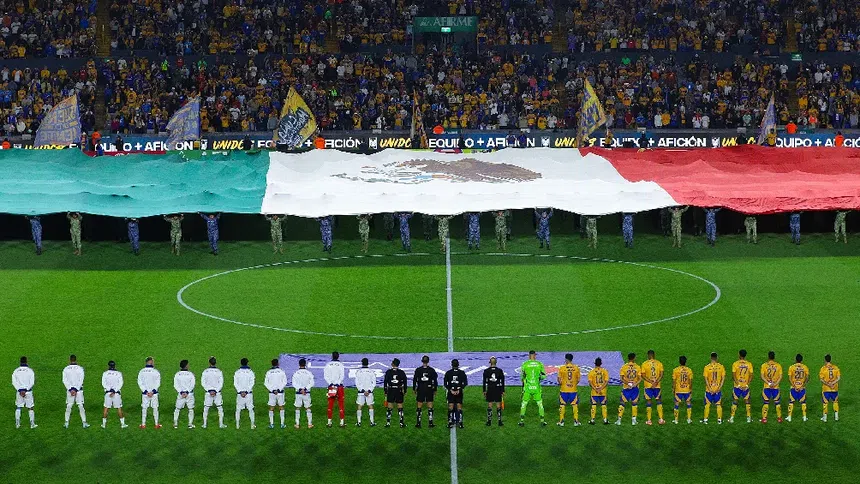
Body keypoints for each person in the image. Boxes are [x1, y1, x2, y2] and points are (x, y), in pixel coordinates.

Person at [519, 350, 547, 426]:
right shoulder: (539, 364)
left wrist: (524, 383)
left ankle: (521, 421)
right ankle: (542, 421)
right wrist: (538, 378)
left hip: (527, 388)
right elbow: (544, 376)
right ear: (535, 355)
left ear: (529, 356)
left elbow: (522, 376)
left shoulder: (525, 364)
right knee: (540, 404)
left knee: (524, 404)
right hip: (536, 388)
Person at [62, 354, 89, 429]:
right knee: (80, 406)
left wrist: (71, 389)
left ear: (69, 360)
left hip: (70, 391)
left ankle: (66, 423)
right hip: (79, 391)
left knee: (69, 406)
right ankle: (84, 423)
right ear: (76, 359)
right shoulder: (80, 369)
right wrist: (76, 389)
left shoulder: (66, 369)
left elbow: (64, 380)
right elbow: (81, 380)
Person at [201, 357, 227, 429]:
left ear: (209, 363)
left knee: (206, 408)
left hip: (208, 393)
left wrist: (209, 390)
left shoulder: (205, 371)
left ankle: (204, 424)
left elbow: (203, 383)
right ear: (215, 363)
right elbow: (221, 383)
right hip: (217, 393)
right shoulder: (219, 371)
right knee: (220, 408)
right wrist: (215, 391)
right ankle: (221, 424)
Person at [641, 350, 665, 425]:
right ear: (654, 355)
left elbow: (643, 376)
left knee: (648, 401)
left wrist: (651, 382)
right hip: (657, 386)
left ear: (648, 355)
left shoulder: (644, 364)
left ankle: (649, 420)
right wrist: (656, 382)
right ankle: (661, 419)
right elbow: (661, 375)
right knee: (659, 401)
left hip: (648, 386)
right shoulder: (659, 363)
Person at [413, 355, 438, 428]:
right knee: (430, 405)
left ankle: (418, 423)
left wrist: (414, 388)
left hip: (421, 388)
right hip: (429, 389)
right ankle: (430, 422)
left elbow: (415, 380)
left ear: (422, 361)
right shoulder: (432, 370)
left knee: (419, 405)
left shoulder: (418, 370)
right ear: (428, 361)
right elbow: (435, 381)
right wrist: (435, 389)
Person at [616, 353, 641, 425]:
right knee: (634, 403)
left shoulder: (624, 367)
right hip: (635, 388)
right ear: (634, 358)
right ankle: (634, 421)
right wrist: (634, 384)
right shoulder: (638, 367)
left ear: (628, 358)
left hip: (626, 388)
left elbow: (621, 378)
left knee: (622, 403)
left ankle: (619, 420)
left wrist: (628, 383)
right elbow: (640, 379)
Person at [730, 349, 754, 424]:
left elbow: (733, 376)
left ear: (739, 355)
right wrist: (747, 384)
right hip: (745, 386)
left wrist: (738, 384)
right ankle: (748, 418)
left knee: (735, 401)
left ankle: (732, 418)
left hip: (737, 386)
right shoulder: (749, 364)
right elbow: (751, 376)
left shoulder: (735, 364)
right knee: (747, 401)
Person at [12, 356, 37, 429]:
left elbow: (14, 382)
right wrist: (25, 390)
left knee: (18, 407)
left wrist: (20, 390)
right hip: (28, 392)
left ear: (20, 361)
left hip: (19, 393)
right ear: (27, 361)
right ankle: (32, 424)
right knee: (30, 408)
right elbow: (32, 383)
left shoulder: (16, 371)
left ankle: (17, 424)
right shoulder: (30, 371)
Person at [556, 354, 580, 427]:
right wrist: (573, 384)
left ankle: (561, 422)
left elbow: (559, 380)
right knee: (574, 405)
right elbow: (578, 380)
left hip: (564, 390)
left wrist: (563, 384)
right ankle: (576, 421)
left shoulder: (562, 368)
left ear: (566, 359)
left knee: (562, 405)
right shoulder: (576, 368)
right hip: (573, 390)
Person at [137, 357, 161, 429]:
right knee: (155, 408)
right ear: (151, 362)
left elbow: (139, 382)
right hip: (154, 394)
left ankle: (143, 424)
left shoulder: (141, 371)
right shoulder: (156, 371)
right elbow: (158, 383)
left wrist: (145, 391)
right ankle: (156, 424)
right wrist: (152, 392)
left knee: (144, 408)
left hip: (145, 394)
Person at [101, 360, 127, 428]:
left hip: (108, 393)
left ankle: (103, 424)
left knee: (106, 408)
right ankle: (123, 424)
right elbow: (120, 383)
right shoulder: (118, 373)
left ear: (108, 365)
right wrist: (114, 390)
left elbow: (103, 383)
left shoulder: (105, 373)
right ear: (114, 365)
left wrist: (110, 390)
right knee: (119, 408)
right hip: (116, 394)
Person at [383, 358, 407, 428]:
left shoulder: (388, 372)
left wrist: (385, 391)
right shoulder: (401, 372)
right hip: (399, 390)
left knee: (390, 406)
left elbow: (385, 382)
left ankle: (388, 423)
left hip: (391, 390)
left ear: (392, 364)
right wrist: (405, 390)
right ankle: (401, 423)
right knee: (400, 405)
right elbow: (405, 382)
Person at [702, 353, 726, 424]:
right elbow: (723, 378)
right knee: (718, 404)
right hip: (717, 389)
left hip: (709, 390)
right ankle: (719, 420)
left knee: (707, 404)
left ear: (710, 358)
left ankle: (705, 420)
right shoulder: (721, 367)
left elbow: (706, 379)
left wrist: (709, 389)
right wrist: (719, 388)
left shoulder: (706, 367)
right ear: (717, 358)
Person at [324, 351, 346, 428]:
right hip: (339, 387)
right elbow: (342, 376)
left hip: (331, 387)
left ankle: (329, 422)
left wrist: (331, 384)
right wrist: (337, 384)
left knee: (330, 404)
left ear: (332, 356)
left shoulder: (328, 365)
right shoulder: (341, 365)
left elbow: (326, 376)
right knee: (341, 404)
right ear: (338, 356)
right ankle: (342, 422)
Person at [264, 358, 288, 429]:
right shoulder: (282, 372)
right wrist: (278, 389)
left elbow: (266, 383)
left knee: (271, 408)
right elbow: (285, 382)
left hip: (272, 393)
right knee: (281, 407)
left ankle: (271, 424)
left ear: (272, 364)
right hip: (280, 393)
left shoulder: (268, 372)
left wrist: (273, 390)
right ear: (278, 364)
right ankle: (282, 424)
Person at [760, 351, 783, 423]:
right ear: (774, 357)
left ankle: (764, 419)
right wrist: (775, 384)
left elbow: (762, 376)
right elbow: (780, 377)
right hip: (775, 388)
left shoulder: (764, 365)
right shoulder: (778, 366)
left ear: (768, 357)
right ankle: (779, 418)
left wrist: (769, 383)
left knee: (766, 402)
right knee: (777, 403)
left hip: (767, 387)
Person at [233, 358, 256, 429]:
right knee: (250, 409)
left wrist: (240, 391)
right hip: (248, 394)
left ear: (241, 363)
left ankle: (237, 425)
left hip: (239, 394)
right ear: (247, 363)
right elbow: (252, 383)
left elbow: (235, 383)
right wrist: (246, 391)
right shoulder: (251, 372)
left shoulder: (237, 372)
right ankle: (252, 425)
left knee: (238, 410)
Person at [444, 359, 467, 429]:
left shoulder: (448, 373)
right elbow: (465, 383)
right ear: (458, 364)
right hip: (459, 392)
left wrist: (450, 390)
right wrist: (459, 389)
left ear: (451, 365)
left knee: (450, 407)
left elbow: (445, 384)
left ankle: (450, 422)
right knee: (459, 407)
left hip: (451, 392)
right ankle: (460, 423)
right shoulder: (462, 373)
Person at [172, 360, 196, 429]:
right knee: (190, 409)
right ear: (186, 365)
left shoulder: (177, 374)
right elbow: (192, 384)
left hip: (181, 395)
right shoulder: (191, 374)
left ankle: (175, 424)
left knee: (177, 409)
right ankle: (190, 424)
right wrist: (187, 392)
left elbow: (175, 385)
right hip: (189, 394)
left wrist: (181, 392)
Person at [786, 354, 809, 423]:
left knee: (791, 402)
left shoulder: (792, 367)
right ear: (801, 360)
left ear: (795, 360)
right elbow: (807, 378)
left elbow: (789, 378)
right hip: (802, 387)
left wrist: (794, 386)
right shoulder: (805, 367)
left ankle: (789, 417)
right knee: (803, 402)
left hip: (794, 387)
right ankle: (804, 417)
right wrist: (802, 386)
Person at [292, 358, 314, 429]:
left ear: (299, 364)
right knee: (308, 408)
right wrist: (305, 389)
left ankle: (297, 424)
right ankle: (309, 424)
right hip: (306, 393)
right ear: (305, 364)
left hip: (298, 393)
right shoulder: (309, 373)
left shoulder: (296, 373)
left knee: (297, 408)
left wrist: (300, 389)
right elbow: (312, 383)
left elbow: (294, 383)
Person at [354, 357, 376, 427]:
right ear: (368, 363)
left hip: (361, 392)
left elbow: (357, 383)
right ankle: (372, 422)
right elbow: (374, 382)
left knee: (360, 406)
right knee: (370, 405)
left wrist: (363, 391)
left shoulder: (359, 372)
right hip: (369, 393)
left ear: (362, 363)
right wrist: (369, 391)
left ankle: (359, 422)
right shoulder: (371, 372)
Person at [672, 356, 693, 424]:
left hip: (678, 390)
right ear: (685, 362)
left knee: (676, 403)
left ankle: (676, 420)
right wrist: (690, 389)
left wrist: (673, 389)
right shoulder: (689, 370)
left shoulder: (675, 370)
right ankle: (689, 419)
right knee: (688, 403)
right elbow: (690, 381)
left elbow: (674, 381)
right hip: (687, 389)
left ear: (679, 362)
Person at [588, 357, 609, 425]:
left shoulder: (591, 372)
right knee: (603, 404)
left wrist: (595, 389)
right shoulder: (605, 371)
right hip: (603, 391)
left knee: (594, 404)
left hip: (594, 392)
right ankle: (605, 420)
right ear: (601, 363)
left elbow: (590, 383)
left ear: (595, 363)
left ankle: (592, 420)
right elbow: (606, 381)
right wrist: (601, 388)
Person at [819, 354, 841, 422]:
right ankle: (836, 417)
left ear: (825, 360)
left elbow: (821, 379)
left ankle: (825, 418)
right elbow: (838, 378)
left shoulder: (823, 368)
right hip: (834, 388)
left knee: (825, 403)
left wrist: (828, 384)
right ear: (830, 359)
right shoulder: (836, 368)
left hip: (826, 389)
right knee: (835, 402)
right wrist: (833, 383)